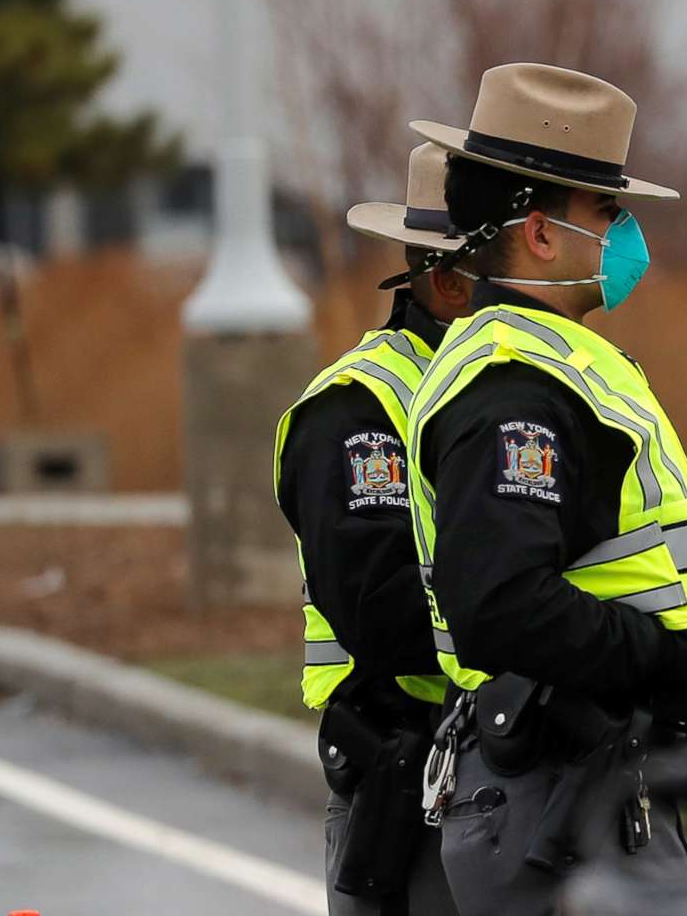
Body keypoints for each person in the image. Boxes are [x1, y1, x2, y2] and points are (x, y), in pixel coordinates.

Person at [402, 63, 687, 914]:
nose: (627, 234)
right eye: (610, 213)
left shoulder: (556, 362)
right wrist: (671, 662)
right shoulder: (513, 391)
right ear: (539, 232)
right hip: (556, 803)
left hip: (588, 790)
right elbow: (500, 601)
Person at [274, 144, 474, 914]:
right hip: (413, 774)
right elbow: (381, 609)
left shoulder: (512, 385)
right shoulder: (356, 409)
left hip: (504, 777)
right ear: (447, 280)